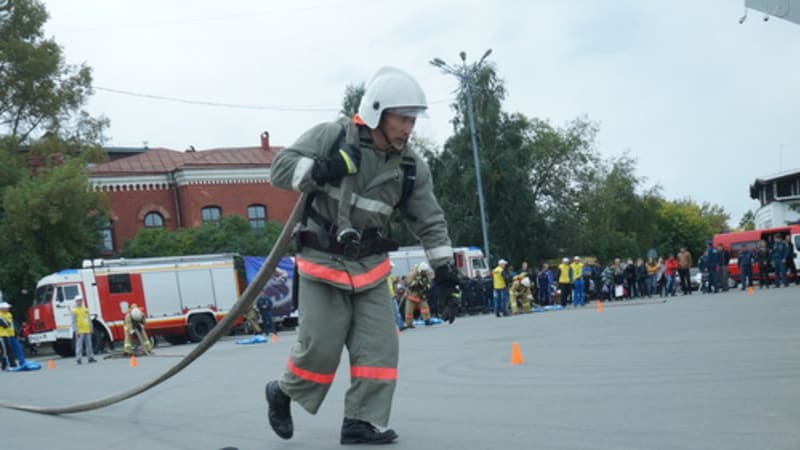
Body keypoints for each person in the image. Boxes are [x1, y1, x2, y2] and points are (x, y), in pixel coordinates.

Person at [264, 67, 459, 445]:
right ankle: (282, 392)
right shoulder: (332, 136)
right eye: (402, 119)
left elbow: (430, 220)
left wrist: (446, 272)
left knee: (380, 349)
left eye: (412, 120)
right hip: (322, 263)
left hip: (369, 269)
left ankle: (361, 421)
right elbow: (279, 169)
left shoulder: (410, 167)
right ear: (377, 112)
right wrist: (326, 168)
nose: (408, 128)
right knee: (320, 349)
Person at [403, 262, 434, 327]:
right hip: (412, 295)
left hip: (421, 294)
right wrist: (416, 282)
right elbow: (408, 283)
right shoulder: (412, 274)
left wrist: (427, 285)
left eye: (426, 271)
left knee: (425, 308)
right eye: (424, 271)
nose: (425, 272)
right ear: (420, 270)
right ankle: (409, 324)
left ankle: (427, 320)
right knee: (409, 311)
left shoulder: (426, 274)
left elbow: (428, 282)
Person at [0, 302, 27, 370]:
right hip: (3, 335)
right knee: (5, 351)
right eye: (6, 308)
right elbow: (6, 325)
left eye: (8, 307)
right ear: (2, 308)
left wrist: (15, 332)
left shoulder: (9, 314)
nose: (8, 308)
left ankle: (18, 363)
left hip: (11, 334)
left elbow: (11, 325)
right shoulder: (0, 315)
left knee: (15, 349)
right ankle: (7, 365)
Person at [70, 295, 97, 364]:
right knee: (79, 345)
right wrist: (76, 331)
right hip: (80, 330)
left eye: (80, 300)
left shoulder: (85, 309)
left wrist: (91, 327)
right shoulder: (74, 310)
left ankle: (90, 357)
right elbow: (73, 322)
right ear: (76, 301)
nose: (80, 302)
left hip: (87, 329)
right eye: (78, 301)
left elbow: (89, 319)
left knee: (89, 344)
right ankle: (78, 358)